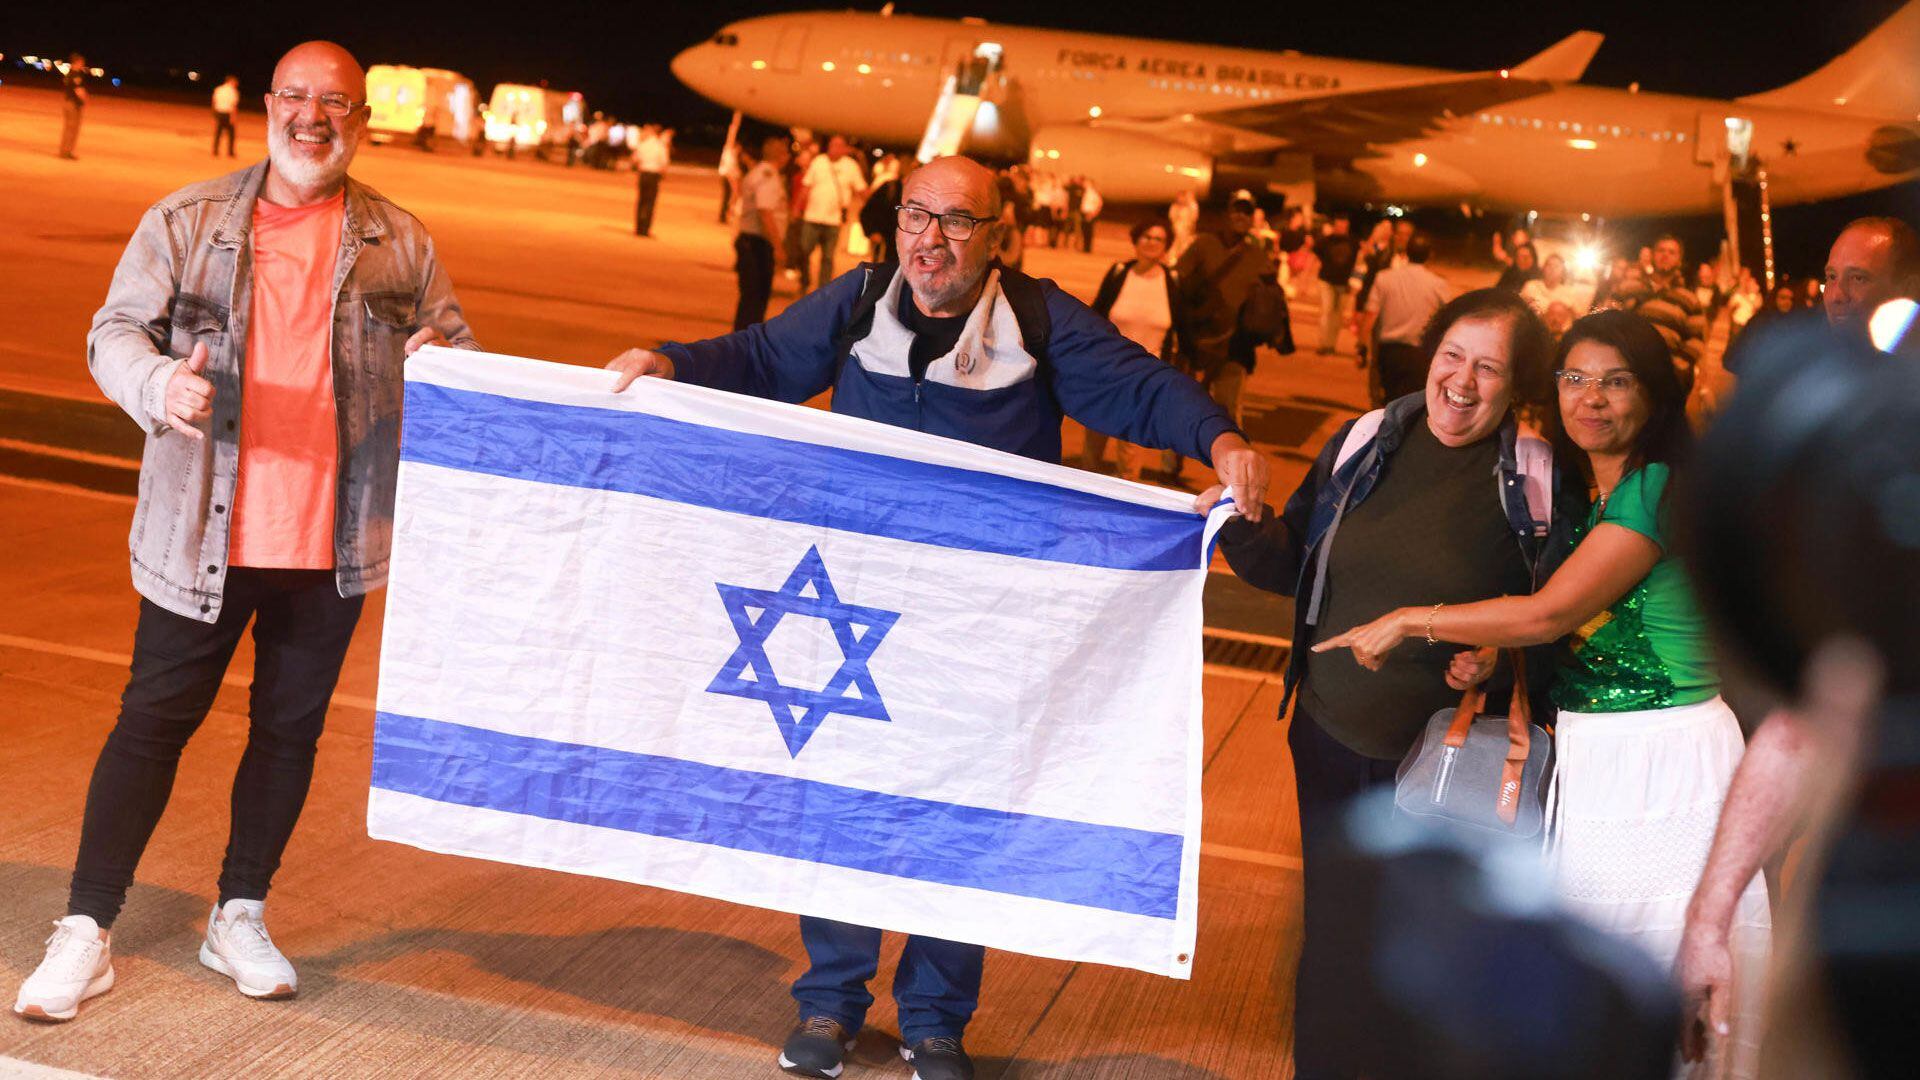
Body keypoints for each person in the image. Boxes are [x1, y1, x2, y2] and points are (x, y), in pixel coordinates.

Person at [604, 155, 1270, 1080]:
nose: (933, 239)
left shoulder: (1036, 322)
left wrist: (1219, 436)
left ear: (998, 236)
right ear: (896, 222)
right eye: (918, 215)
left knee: (964, 817)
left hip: (981, 631)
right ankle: (831, 1004)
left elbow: (1143, 386)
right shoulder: (857, 300)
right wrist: (669, 363)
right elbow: (762, 359)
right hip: (855, 612)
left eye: (959, 222)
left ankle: (935, 1020)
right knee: (843, 806)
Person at [11, 41, 476, 1025]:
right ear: (270, 105)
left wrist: (445, 363)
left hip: (332, 549)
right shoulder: (187, 223)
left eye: (337, 102)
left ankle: (239, 912)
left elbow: (455, 353)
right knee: (151, 727)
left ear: (362, 117)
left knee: (287, 736)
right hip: (199, 538)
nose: (316, 117)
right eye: (299, 97)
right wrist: (159, 383)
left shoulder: (401, 240)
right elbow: (112, 334)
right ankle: (87, 930)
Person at [1314, 309, 1773, 1079]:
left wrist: (1408, 621)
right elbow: (1576, 628)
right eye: (1575, 378)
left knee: (1661, 981)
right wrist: (1499, 659)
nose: (1590, 398)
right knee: (1606, 981)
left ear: (1654, 396)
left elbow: (1549, 612)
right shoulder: (1603, 496)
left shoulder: (1653, 489)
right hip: (1603, 760)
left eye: (1615, 381)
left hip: (1664, 763)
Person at [1201, 289, 1573, 1080]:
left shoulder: (1537, 481)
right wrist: (1233, 520)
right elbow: (1292, 563)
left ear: (1517, 388)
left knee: (1433, 952)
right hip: (1331, 734)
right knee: (1336, 934)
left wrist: (1502, 659)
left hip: (1447, 763)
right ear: (1429, 355)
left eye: (1488, 369)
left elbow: (1559, 623)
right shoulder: (1368, 437)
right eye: (1451, 357)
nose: (1462, 382)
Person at [1082, 218, 1187, 479]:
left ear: (1167, 246)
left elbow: (1183, 330)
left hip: (1145, 380)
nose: (1151, 243)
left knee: (1130, 456)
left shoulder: (1173, 282)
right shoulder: (1119, 273)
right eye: (1146, 236)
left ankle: (1124, 510)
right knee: (1092, 451)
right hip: (1106, 374)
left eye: (1158, 239)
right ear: (1136, 240)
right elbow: (1094, 317)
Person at [1173, 189, 1276, 435]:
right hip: (1199, 341)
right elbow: (1178, 281)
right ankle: (1170, 466)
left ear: (1253, 219)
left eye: (1247, 212)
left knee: (1229, 413)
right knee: (1182, 405)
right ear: (1226, 214)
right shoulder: (1204, 244)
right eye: (1236, 210)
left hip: (1235, 347)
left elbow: (1271, 298)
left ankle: (1230, 473)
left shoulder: (1258, 256)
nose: (1241, 216)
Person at [1360, 235, 1452, 404]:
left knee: (1389, 403)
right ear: (1430, 255)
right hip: (1421, 355)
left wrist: (1361, 346)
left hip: (1390, 353)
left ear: (1407, 252)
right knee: (1412, 406)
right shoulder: (1438, 284)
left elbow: (1370, 314)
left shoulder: (1384, 278)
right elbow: (1451, 319)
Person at [1608, 234, 1707, 386]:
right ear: (1652, 255)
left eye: (1671, 252)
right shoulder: (1628, 287)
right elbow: (1606, 320)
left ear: (1679, 260)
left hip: (1666, 377)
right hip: (1627, 372)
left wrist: (1678, 366)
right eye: (1661, 250)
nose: (1665, 255)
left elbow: (1697, 340)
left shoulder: (1689, 299)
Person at [1819, 216, 1920, 339]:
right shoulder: (1808, 353)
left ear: (1908, 288)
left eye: (1858, 278)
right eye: (1832, 276)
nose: (1836, 297)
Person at [732, 135, 791, 331]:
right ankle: (745, 346)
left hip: (750, 241)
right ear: (781, 155)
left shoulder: (757, 172)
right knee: (755, 299)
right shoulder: (768, 176)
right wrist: (778, 247)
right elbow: (765, 212)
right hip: (757, 244)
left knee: (749, 298)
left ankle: (742, 341)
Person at [796, 135, 866, 292]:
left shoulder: (851, 166)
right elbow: (806, 186)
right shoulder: (819, 161)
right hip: (812, 217)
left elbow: (861, 189)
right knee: (804, 250)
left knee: (827, 257)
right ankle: (805, 280)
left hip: (834, 220)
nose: (835, 148)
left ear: (846, 149)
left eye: (839, 145)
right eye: (833, 144)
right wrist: (797, 207)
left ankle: (822, 289)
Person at [1314, 215, 1358, 355]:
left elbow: (1357, 262)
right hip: (1326, 280)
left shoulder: (1353, 242)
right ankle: (1324, 343)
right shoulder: (1326, 241)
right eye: (1339, 225)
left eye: (1343, 226)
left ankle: (1331, 345)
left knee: (1337, 316)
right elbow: (1317, 251)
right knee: (1327, 312)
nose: (1341, 228)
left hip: (1343, 283)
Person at [859, 154, 904, 265]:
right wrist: (873, 231)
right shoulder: (889, 188)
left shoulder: (923, 195)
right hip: (886, 247)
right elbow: (867, 211)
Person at [633, 124, 670, 237]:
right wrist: (663, 175)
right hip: (654, 175)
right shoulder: (660, 146)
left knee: (641, 201)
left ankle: (638, 228)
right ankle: (645, 229)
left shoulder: (643, 144)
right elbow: (664, 162)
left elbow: (635, 159)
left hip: (643, 174)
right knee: (650, 203)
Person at [59, 52, 90, 160]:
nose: (82, 64)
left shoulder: (68, 73)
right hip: (73, 105)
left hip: (67, 103)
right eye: (81, 62)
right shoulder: (76, 75)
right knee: (72, 129)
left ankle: (64, 151)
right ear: (77, 62)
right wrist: (85, 100)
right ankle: (66, 152)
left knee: (68, 129)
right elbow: (79, 91)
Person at [211, 75, 240, 158]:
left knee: (218, 132)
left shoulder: (218, 89)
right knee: (231, 133)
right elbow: (233, 106)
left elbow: (214, 102)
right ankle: (230, 152)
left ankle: (215, 151)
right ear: (231, 82)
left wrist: (214, 113)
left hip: (219, 112)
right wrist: (233, 117)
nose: (236, 84)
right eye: (235, 82)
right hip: (227, 113)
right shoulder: (233, 92)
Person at [1168, 189, 1200, 262]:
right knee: (1176, 242)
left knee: (1185, 243)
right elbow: (1172, 218)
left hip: (1186, 229)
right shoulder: (1174, 207)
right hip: (1177, 228)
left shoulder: (1192, 206)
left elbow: (1193, 218)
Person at [1078, 178, 1102, 252]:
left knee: (1088, 231)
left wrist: (1093, 213)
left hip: (1089, 213)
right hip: (1085, 212)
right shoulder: (1086, 193)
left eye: (1086, 183)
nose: (1084, 185)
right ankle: (1085, 247)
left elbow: (1099, 204)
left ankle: (1087, 248)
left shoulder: (1093, 194)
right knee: (1084, 231)